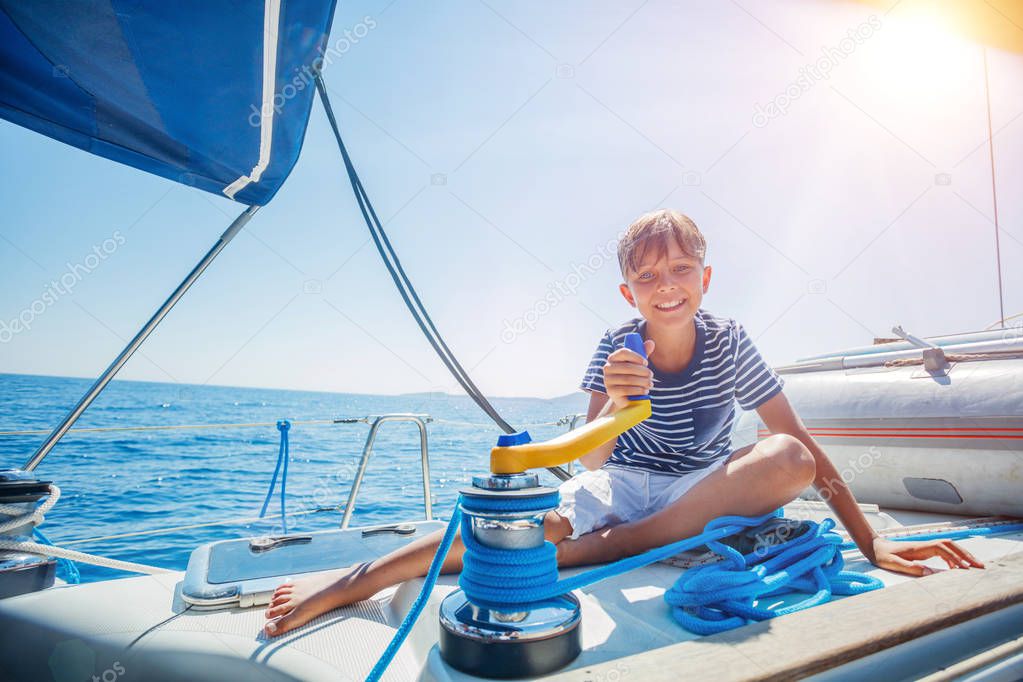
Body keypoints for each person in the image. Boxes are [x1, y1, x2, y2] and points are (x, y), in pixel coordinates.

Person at [262, 209, 982, 637]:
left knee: (785, 455)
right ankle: (347, 583)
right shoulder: (615, 346)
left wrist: (872, 546)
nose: (664, 287)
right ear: (627, 290)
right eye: (647, 277)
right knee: (524, 533)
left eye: (679, 271)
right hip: (625, 483)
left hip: (696, 487)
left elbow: (806, 454)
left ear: (705, 278)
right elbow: (593, 465)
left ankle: (622, 547)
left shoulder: (730, 342)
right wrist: (612, 400)